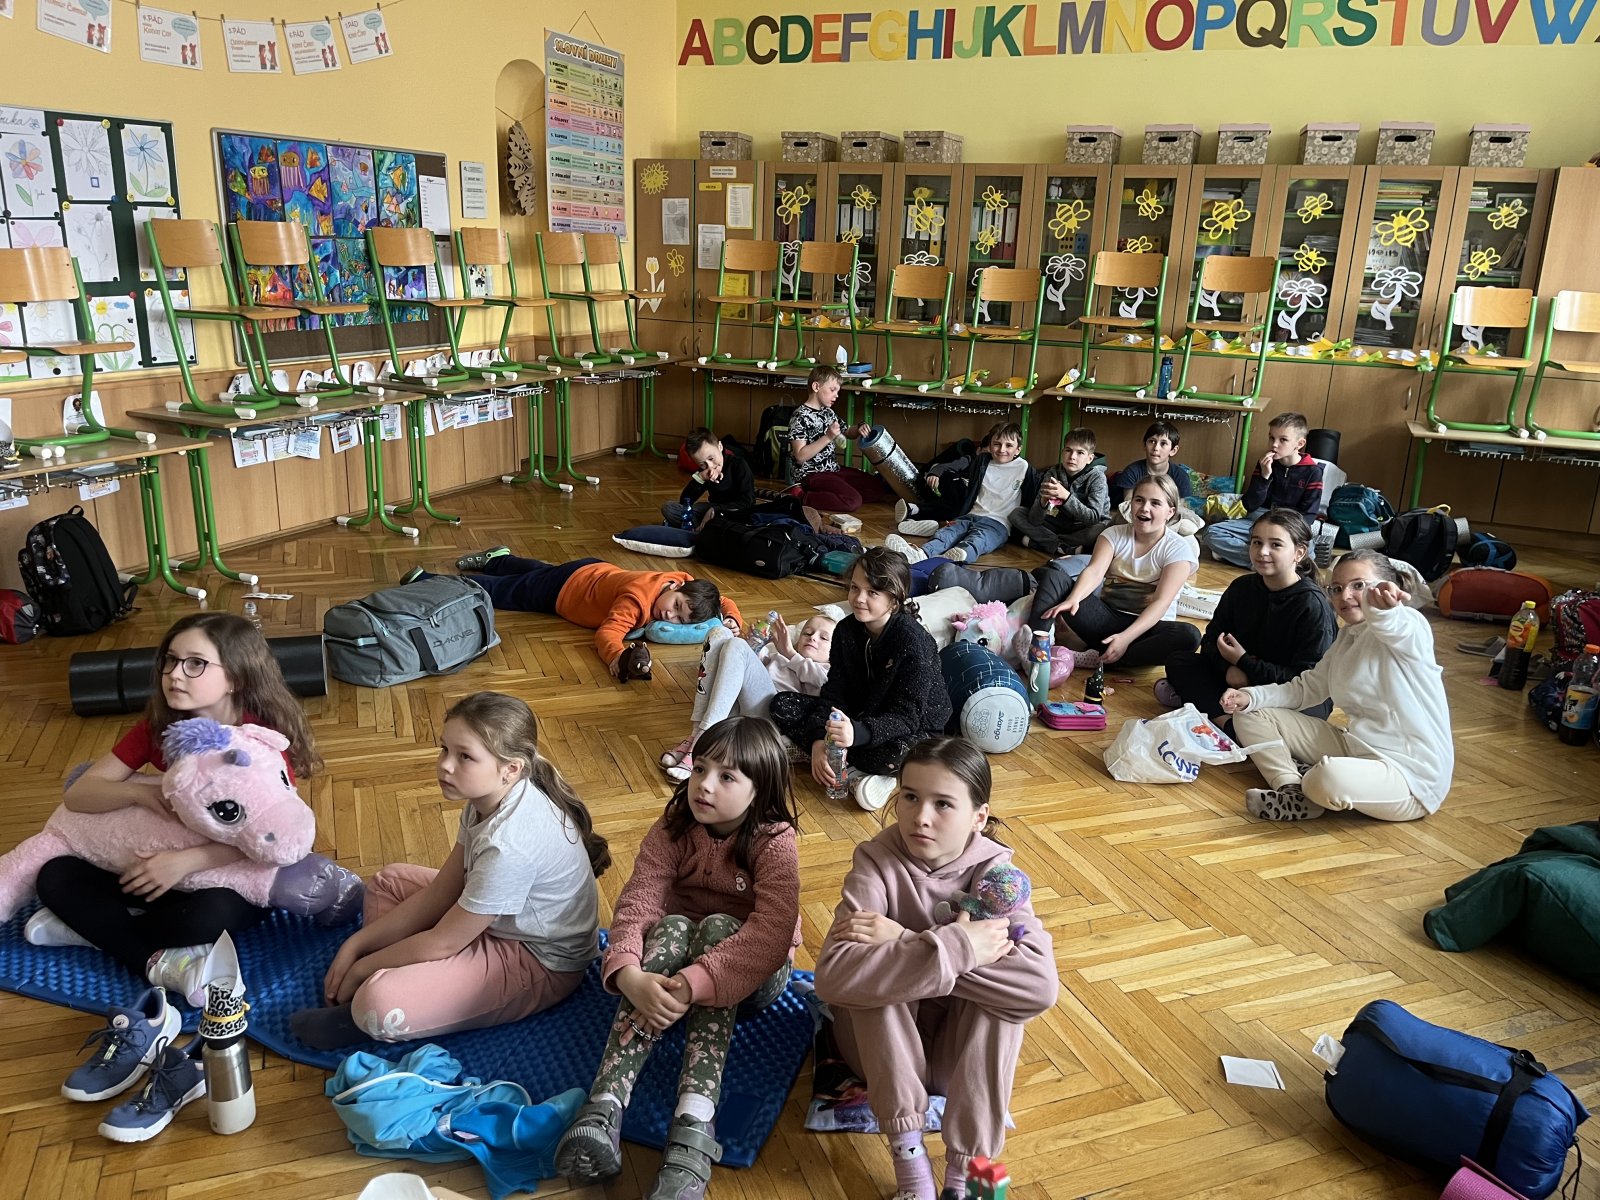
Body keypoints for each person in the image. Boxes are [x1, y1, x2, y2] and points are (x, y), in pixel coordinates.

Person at [554, 716, 801, 1200]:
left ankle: (694, 1121)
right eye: (700, 768)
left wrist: (695, 981)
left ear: (760, 790)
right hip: (672, 970)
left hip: (754, 977)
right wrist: (628, 973)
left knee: (718, 929)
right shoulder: (674, 826)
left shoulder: (775, 842)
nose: (703, 784)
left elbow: (770, 935)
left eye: (726, 777)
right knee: (670, 927)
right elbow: (639, 901)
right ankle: (604, 1106)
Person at [30, 613, 322, 1003]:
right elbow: (79, 794)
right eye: (170, 660)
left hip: (228, 871)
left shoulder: (258, 740)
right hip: (163, 868)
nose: (175, 675)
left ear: (235, 677)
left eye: (195, 664)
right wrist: (140, 794)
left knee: (206, 917)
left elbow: (273, 836)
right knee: (55, 875)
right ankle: (150, 956)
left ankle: (99, 933)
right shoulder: (160, 728)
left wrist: (185, 863)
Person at [813, 737, 1057, 1200]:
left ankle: (972, 1175)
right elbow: (833, 977)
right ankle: (911, 1168)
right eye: (910, 796)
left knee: (1002, 1009)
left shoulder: (997, 879)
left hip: (954, 1065)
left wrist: (906, 939)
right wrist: (960, 947)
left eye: (943, 803)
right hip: (878, 1058)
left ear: (979, 817)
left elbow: (1039, 988)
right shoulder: (875, 862)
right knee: (875, 985)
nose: (920, 817)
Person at [290, 692, 607, 1048]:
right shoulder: (485, 800)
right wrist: (357, 944)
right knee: (387, 882)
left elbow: (444, 941)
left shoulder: (509, 845)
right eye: (444, 749)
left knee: (376, 1003)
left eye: (464, 756)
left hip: (536, 959)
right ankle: (413, 979)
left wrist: (363, 966)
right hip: (493, 920)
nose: (445, 765)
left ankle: (377, 999)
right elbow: (443, 890)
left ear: (511, 769)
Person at [1221, 550, 1453, 822]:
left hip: (1410, 778)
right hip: (1355, 746)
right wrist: (1250, 697)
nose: (1345, 596)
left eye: (1359, 585)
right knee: (1250, 714)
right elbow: (1306, 688)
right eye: (1337, 588)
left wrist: (1383, 609)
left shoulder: (1410, 625)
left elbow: (1395, 625)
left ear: (1387, 586)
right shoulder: (1347, 637)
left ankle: (1312, 779)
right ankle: (1291, 789)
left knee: (1327, 777)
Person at [771, 548, 952, 812]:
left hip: (913, 728)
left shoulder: (913, 642)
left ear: (894, 599)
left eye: (872, 592)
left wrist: (856, 733)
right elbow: (834, 693)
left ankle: (857, 774)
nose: (859, 599)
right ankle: (830, 757)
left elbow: (907, 717)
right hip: (859, 715)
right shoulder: (845, 630)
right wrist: (819, 740)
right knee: (782, 704)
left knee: (896, 755)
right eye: (855, 588)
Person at [419, 552, 742, 677]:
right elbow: (608, 633)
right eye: (676, 606)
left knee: (536, 571)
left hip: (592, 569)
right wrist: (616, 657)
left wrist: (731, 619)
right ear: (676, 587)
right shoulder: (635, 601)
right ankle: (429, 581)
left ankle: (499, 558)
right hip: (564, 592)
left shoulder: (681, 581)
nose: (669, 615)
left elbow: (722, 599)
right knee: (506, 591)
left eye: (679, 619)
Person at [1159, 509, 1337, 722]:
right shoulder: (1241, 587)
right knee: (1179, 661)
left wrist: (1244, 663)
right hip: (1240, 678)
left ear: (1299, 553)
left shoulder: (1312, 604)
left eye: (1276, 545)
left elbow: (1307, 680)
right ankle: (1231, 722)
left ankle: (1226, 721)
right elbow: (1211, 641)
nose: (1262, 552)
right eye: (1257, 542)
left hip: (1290, 692)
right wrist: (1229, 669)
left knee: (1310, 711)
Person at [1036, 474, 1201, 669]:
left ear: (1170, 512)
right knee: (1053, 576)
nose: (1144, 508)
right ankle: (1036, 644)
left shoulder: (1178, 549)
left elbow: (1161, 603)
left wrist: (1125, 638)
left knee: (1189, 635)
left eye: (1155, 503)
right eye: (1139, 500)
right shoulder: (1113, 534)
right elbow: (1095, 571)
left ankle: (1099, 659)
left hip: (1146, 629)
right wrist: (1074, 598)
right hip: (1106, 620)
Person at [660, 612, 836, 782]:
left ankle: (703, 741)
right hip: (741, 705)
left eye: (824, 638)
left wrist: (791, 653)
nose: (813, 638)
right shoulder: (778, 657)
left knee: (737, 646)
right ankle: (696, 735)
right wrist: (754, 644)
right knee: (720, 633)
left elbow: (825, 683)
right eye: (808, 633)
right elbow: (742, 670)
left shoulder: (829, 671)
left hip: (774, 720)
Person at [884, 421, 1040, 565]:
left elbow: (1031, 500)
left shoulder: (1025, 468)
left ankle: (957, 556)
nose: (1002, 450)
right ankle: (921, 554)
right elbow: (958, 468)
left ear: (1018, 449)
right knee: (947, 533)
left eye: (1009, 445)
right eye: (997, 444)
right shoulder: (982, 461)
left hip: (998, 524)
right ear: (990, 444)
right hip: (971, 515)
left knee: (978, 540)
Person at [1202, 412, 1325, 567]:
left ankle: (1254, 556)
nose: (1274, 444)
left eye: (1283, 440)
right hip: (1260, 518)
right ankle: (1268, 562)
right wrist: (1264, 477)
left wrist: (1286, 532)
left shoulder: (1313, 472)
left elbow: (1308, 515)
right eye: (1271, 438)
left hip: (1291, 525)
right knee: (1211, 533)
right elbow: (1250, 504)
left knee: (1308, 553)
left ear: (1299, 444)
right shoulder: (1264, 463)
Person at [787, 364, 883, 513]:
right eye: (832, 390)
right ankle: (802, 496)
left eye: (837, 391)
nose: (836, 395)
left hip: (832, 469)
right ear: (816, 387)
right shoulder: (800, 416)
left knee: (877, 488)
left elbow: (847, 432)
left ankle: (834, 494)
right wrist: (828, 437)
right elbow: (800, 456)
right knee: (853, 501)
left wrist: (859, 428)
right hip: (812, 474)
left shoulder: (828, 412)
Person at [1008, 426, 1111, 556]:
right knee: (1016, 514)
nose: (1072, 457)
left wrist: (1066, 497)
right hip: (1056, 522)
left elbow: (1093, 518)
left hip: (1082, 527)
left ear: (1090, 458)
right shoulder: (1052, 473)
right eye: (1068, 450)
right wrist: (1043, 502)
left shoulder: (1097, 477)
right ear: (1062, 452)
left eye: (1080, 453)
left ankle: (1041, 543)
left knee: (1099, 530)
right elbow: (1035, 520)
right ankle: (1062, 547)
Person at [662, 427, 755, 527]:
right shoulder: (705, 472)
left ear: (720, 447)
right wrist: (700, 478)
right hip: (712, 511)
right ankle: (704, 527)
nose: (709, 466)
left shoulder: (739, 465)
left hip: (736, 513)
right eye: (702, 464)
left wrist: (716, 510)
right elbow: (685, 502)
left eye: (711, 458)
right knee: (669, 508)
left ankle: (702, 527)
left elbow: (748, 502)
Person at [1108, 420, 1193, 506]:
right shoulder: (1132, 472)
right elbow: (1129, 504)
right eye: (1152, 441)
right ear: (1145, 445)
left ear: (1173, 450)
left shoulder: (1180, 476)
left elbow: (1179, 508)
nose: (1156, 448)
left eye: (1163, 443)